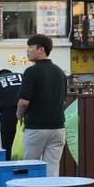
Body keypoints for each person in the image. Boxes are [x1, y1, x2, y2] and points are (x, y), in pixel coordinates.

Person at [16, 34, 69, 176]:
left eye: (31, 47)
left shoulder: (31, 72)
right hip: (58, 127)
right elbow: (63, 101)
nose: (28, 51)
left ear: (41, 50)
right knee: (52, 168)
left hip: (36, 127)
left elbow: (23, 102)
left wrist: (19, 115)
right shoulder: (60, 72)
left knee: (31, 167)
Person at [0, 68, 24, 155]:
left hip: (8, 115)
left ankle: (10, 165)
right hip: (29, 114)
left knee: (8, 148)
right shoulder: (23, 76)